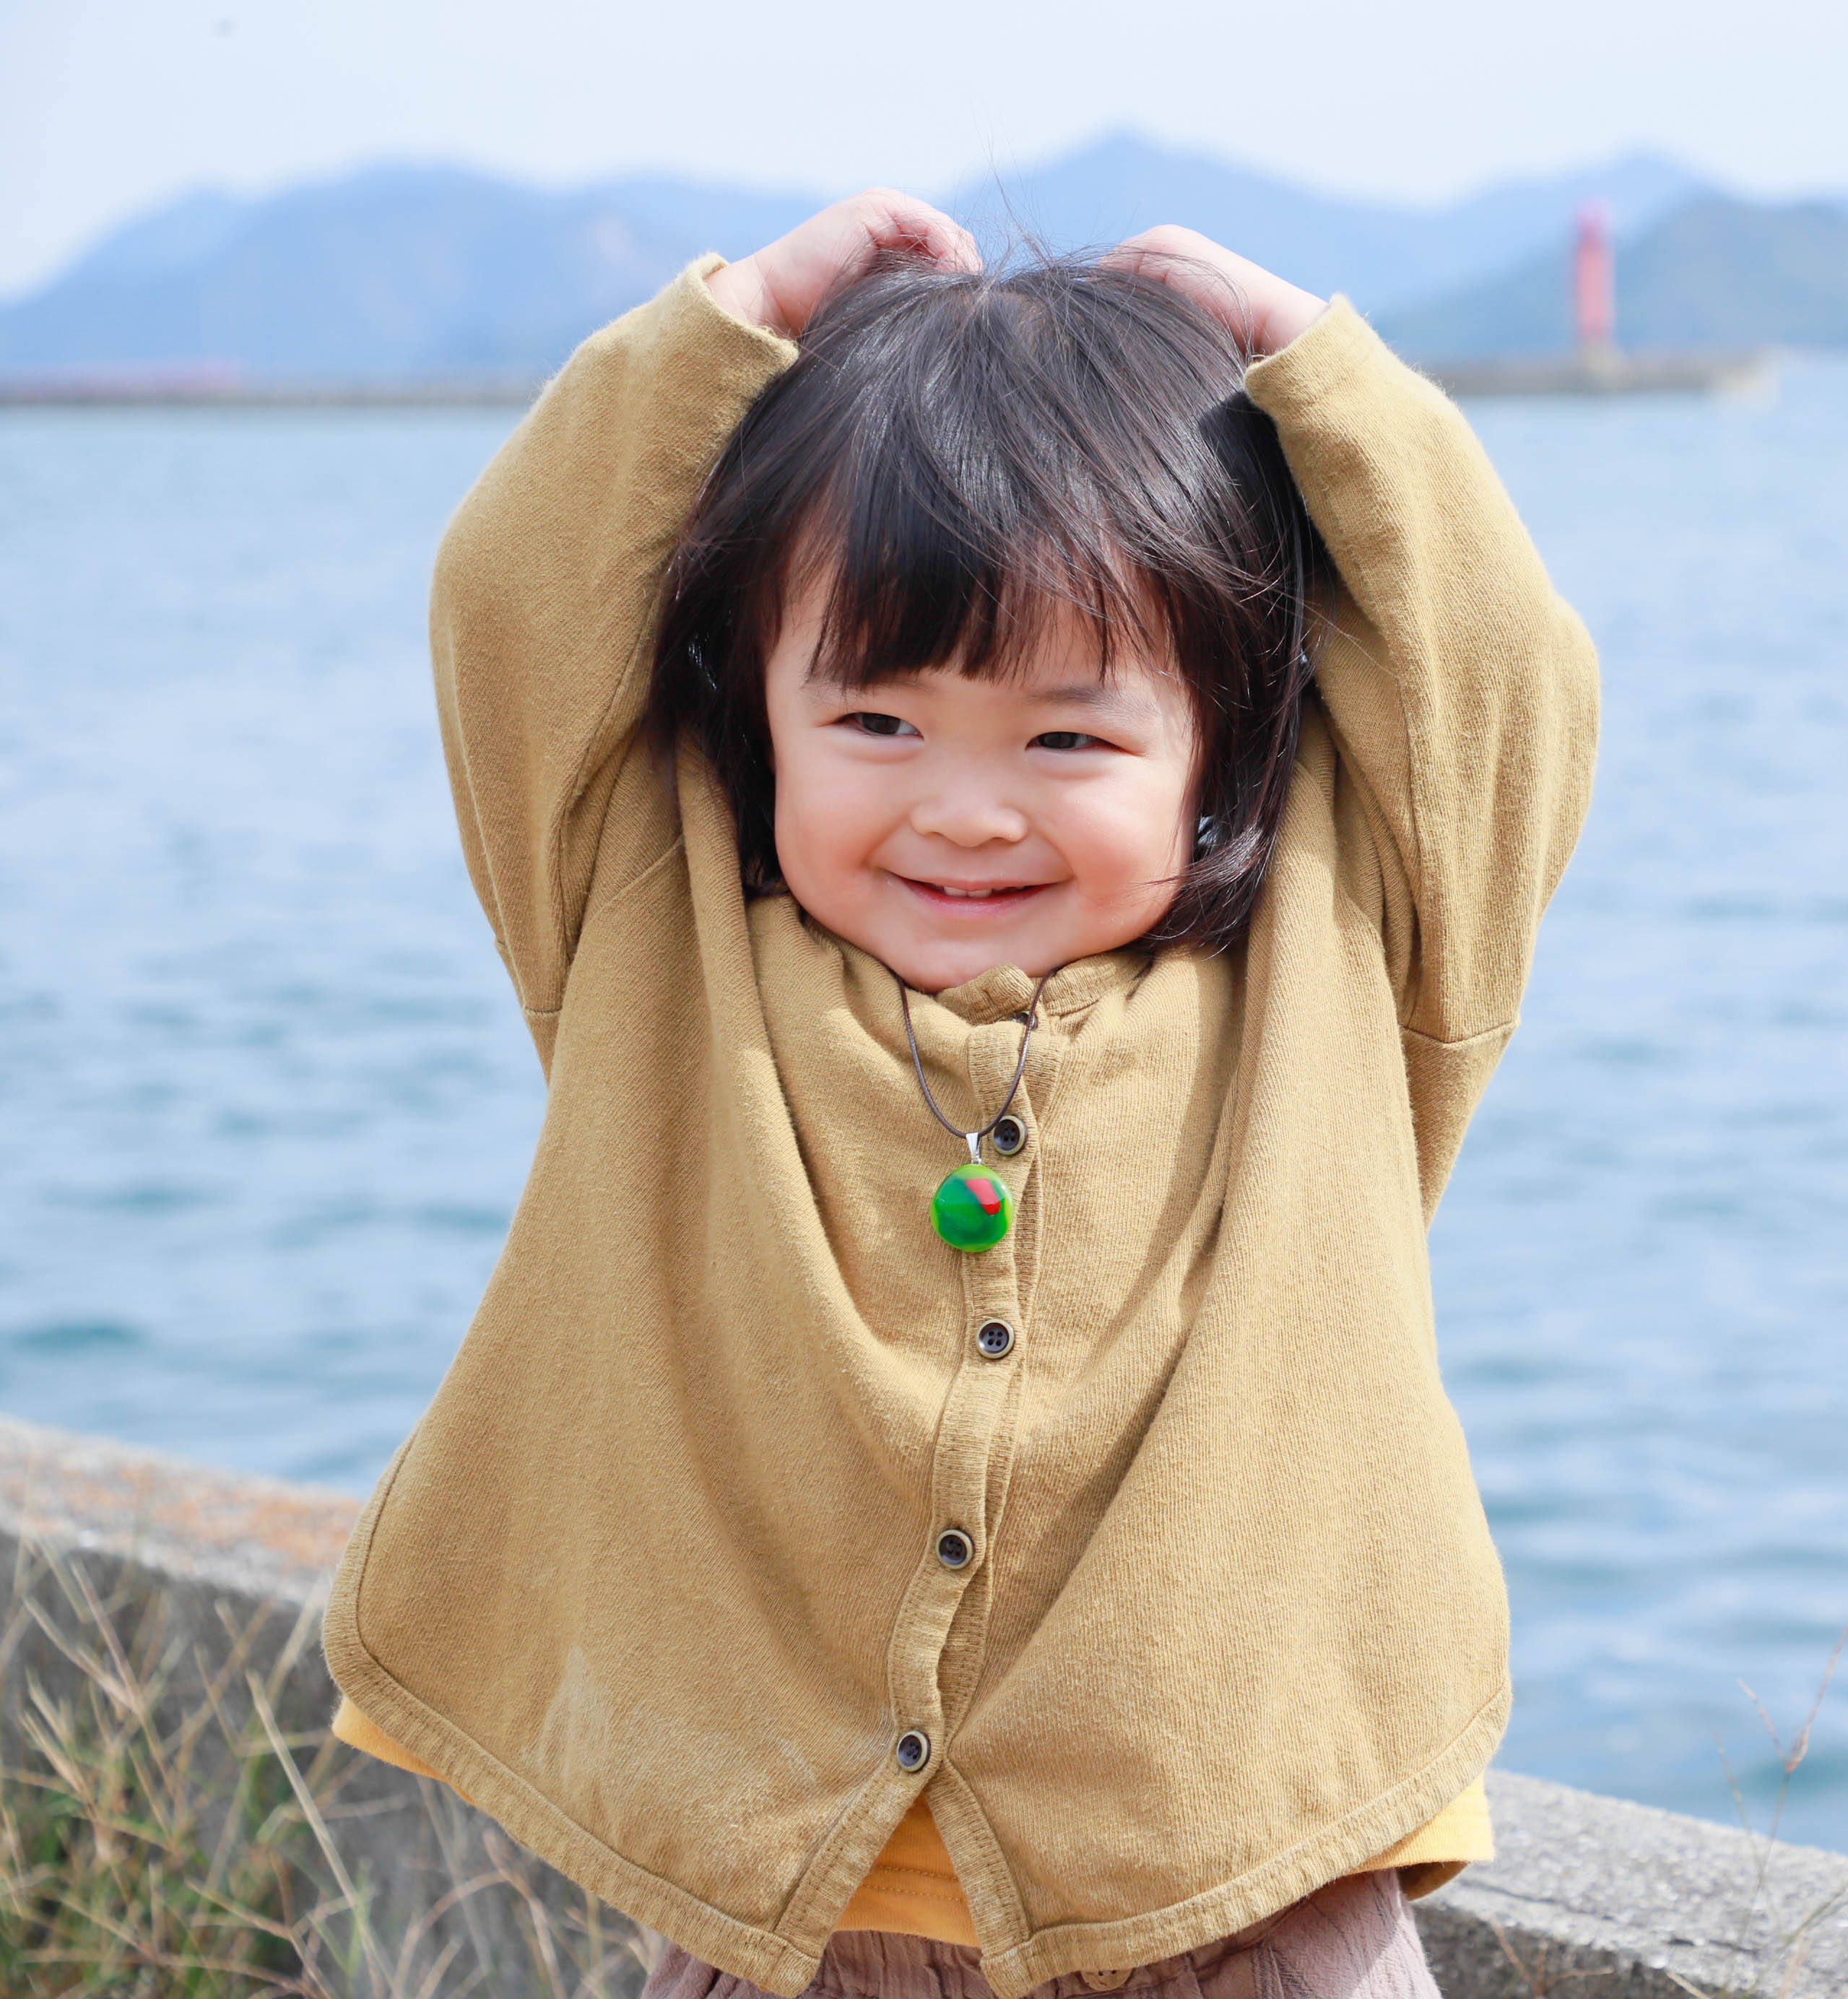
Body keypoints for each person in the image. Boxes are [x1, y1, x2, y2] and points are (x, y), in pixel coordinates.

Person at [319, 188, 1599, 1999]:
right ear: (757, 720)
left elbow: (1505, 682)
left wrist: (1311, 365)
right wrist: (728, 326)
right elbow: (510, 606)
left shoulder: (1340, 954)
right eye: (876, 722)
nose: (967, 808)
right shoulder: (659, 946)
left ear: (1221, 750)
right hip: (785, 1918)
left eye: (1070, 735)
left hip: (1250, 1898)